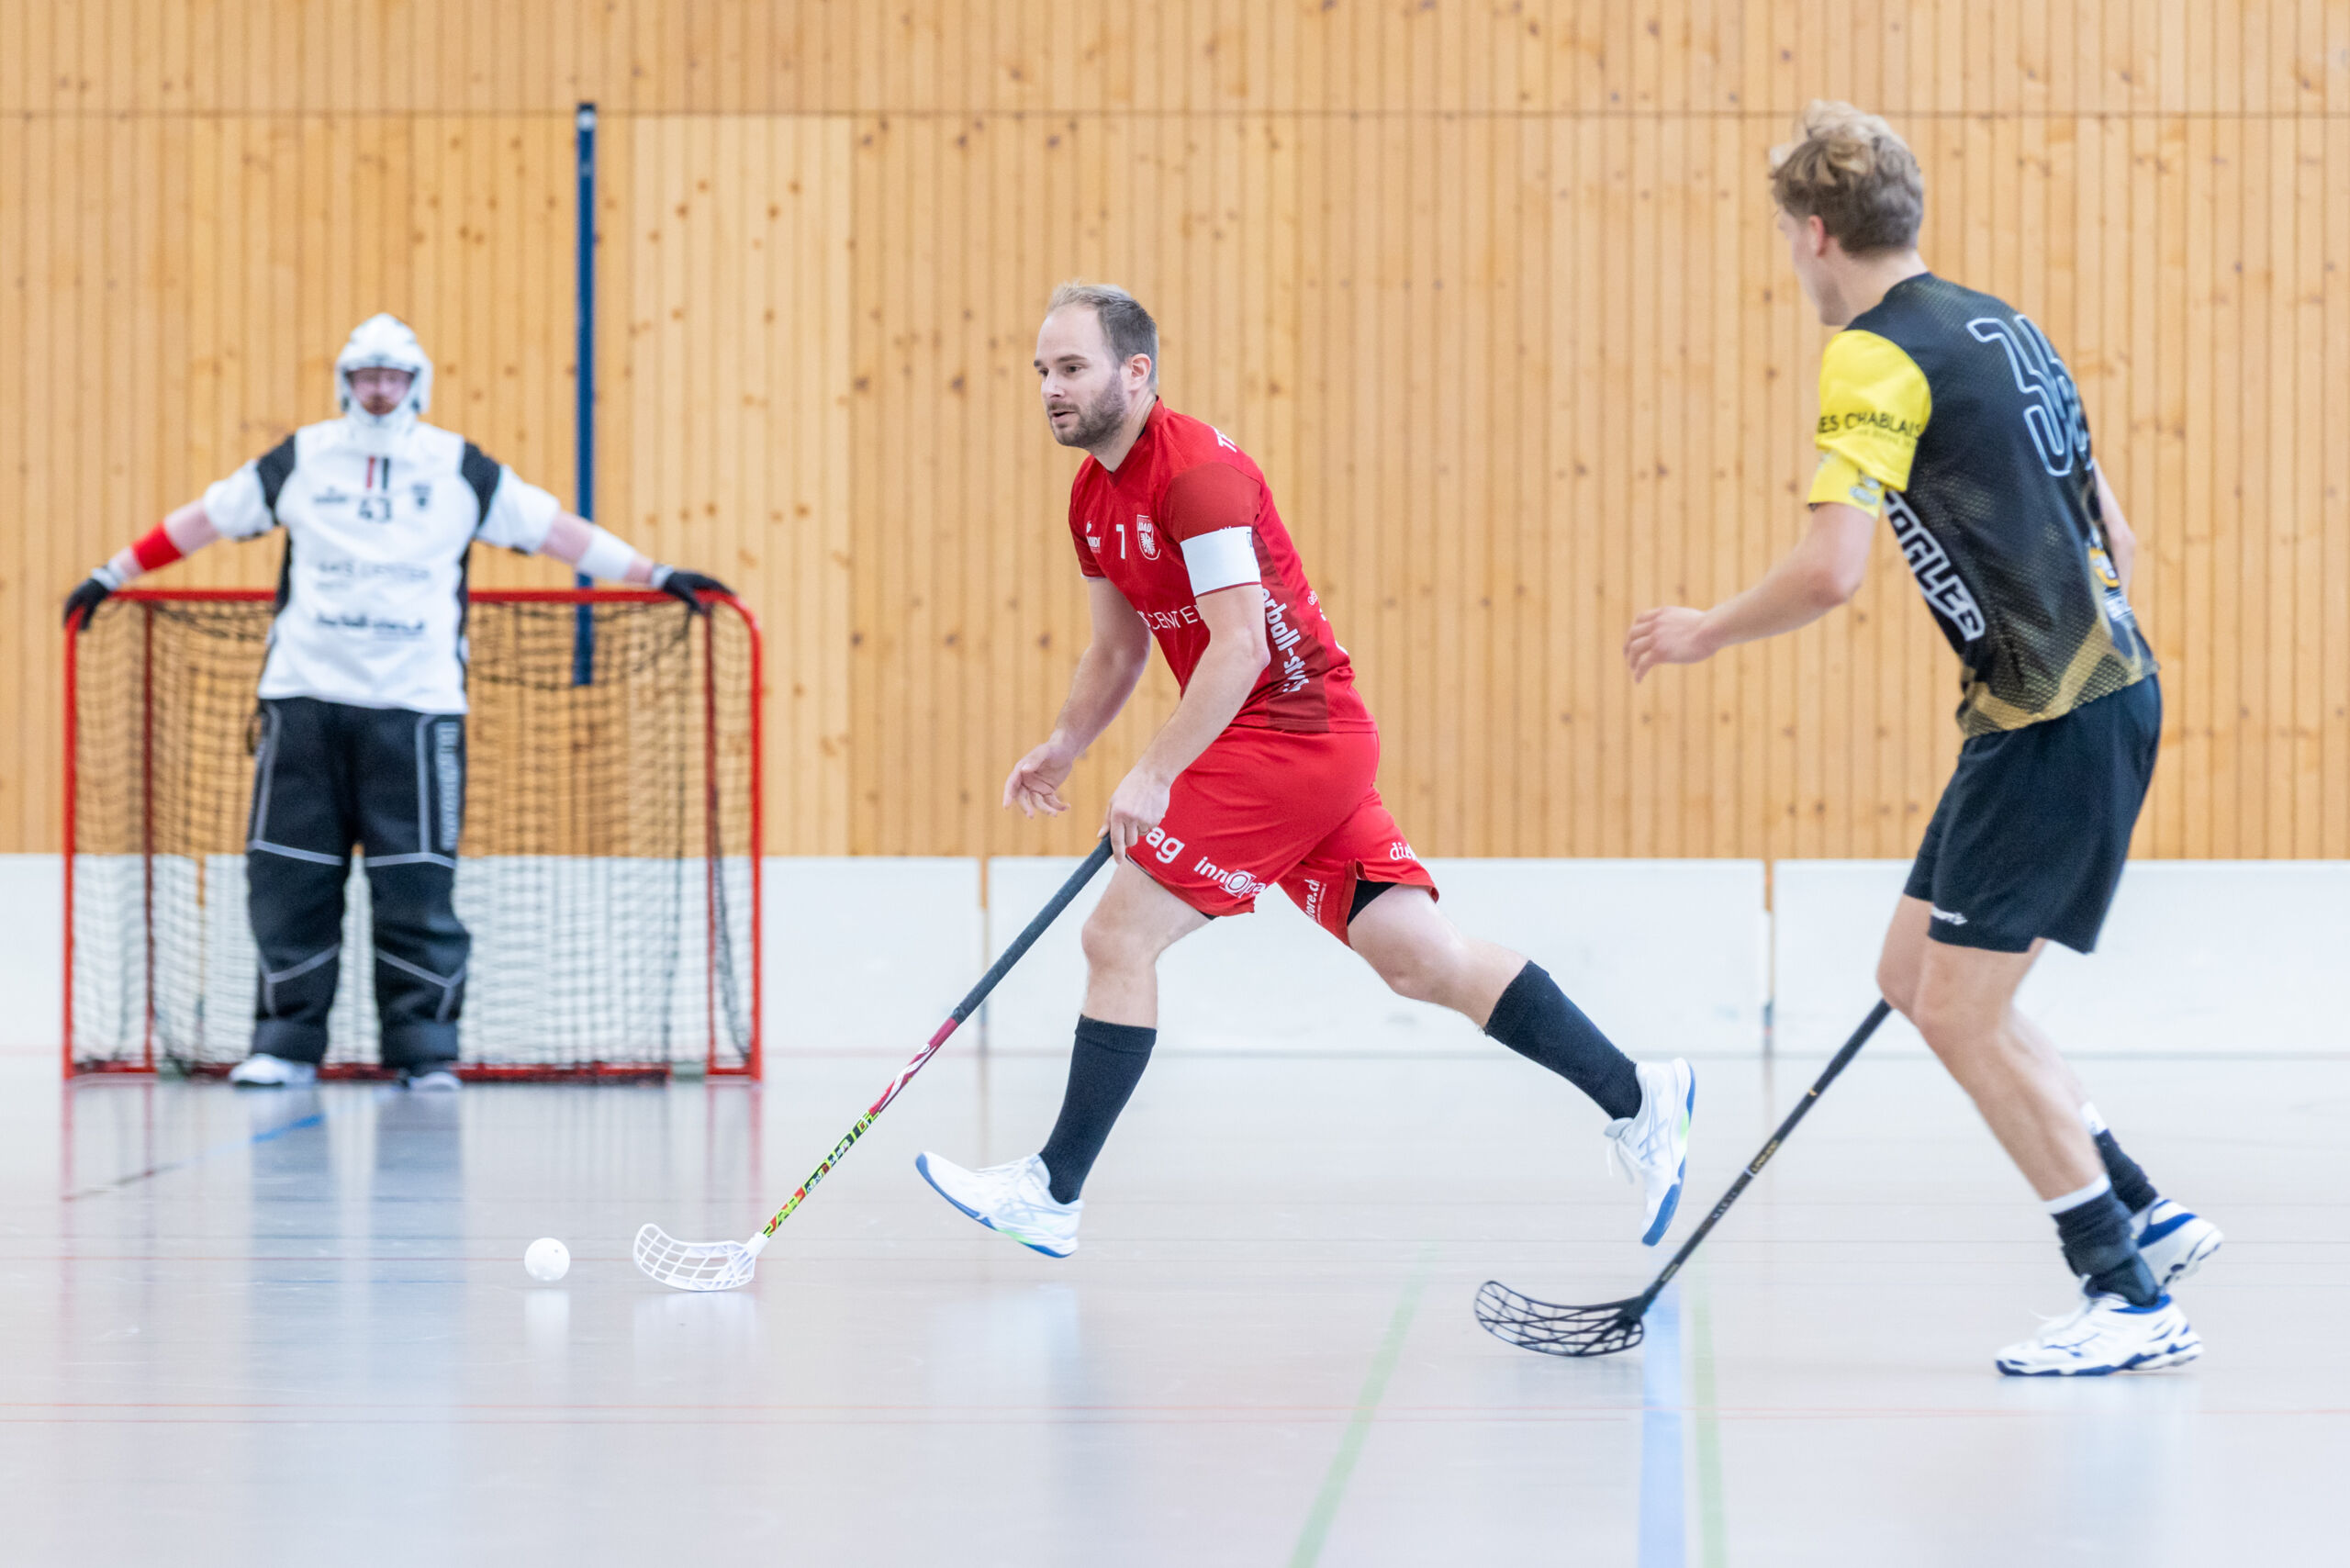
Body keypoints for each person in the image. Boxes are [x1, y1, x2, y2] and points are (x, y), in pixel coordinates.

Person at [913, 282, 1695, 1259]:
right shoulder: (1090, 496)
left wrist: (1155, 773)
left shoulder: (1193, 474)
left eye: (1070, 368)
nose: (1050, 389)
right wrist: (1066, 745)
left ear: (1136, 372)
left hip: (1291, 730)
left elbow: (1238, 648)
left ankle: (1052, 1190)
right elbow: (1117, 652)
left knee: (1117, 937)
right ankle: (1639, 1096)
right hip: (1284, 741)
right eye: (1041, 372)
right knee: (1422, 958)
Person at [1624, 104, 2221, 1375]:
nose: (1792, 263)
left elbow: (1834, 569)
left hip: (2055, 713)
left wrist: (1708, 632)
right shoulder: (2003, 322)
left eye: (1788, 239)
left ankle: (2125, 1294)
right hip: (2066, 699)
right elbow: (2108, 517)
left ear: (1819, 232)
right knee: (1918, 976)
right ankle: (2144, 1207)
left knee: (1959, 1012)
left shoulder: (1872, 356)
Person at [62, 314, 732, 1091]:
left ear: (418, 384)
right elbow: (208, 516)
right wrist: (113, 573)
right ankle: (283, 1046)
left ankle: (424, 1054)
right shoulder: (302, 460)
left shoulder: (459, 469)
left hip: (415, 711)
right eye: (364, 378)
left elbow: (555, 530)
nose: (379, 393)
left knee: (416, 885)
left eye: (393, 378)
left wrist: (653, 573)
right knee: (289, 879)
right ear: (345, 383)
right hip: (303, 705)